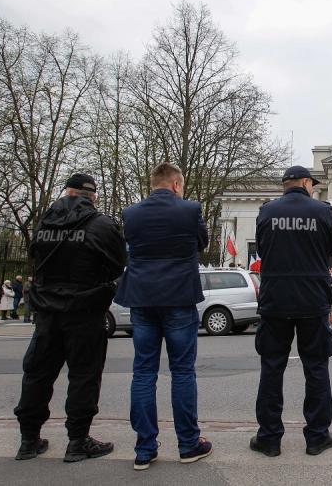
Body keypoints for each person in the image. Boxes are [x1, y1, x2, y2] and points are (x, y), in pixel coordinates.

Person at [14, 173, 126, 463]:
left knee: (37, 374)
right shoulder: (101, 224)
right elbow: (117, 265)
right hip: (85, 310)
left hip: (47, 312)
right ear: (93, 196)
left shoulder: (44, 222)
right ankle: (77, 441)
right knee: (84, 376)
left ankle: (28, 440)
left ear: (67, 192)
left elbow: (36, 259)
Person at [115, 163, 212, 470]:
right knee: (182, 371)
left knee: (143, 372)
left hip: (142, 299)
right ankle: (188, 444)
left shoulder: (130, 214)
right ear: (175, 185)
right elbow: (202, 242)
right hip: (179, 298)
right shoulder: (189, 210)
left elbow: (129, 249)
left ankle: (144, 448)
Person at [251, 165, 332, 457]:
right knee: (316, 368)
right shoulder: (323, 212)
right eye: (312, 184)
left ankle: (269, 438)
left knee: (272, 368)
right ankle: (316, 436)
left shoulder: (267, 211)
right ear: (305, 183)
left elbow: (262, 249)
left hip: (275, 299)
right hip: (312, 299)